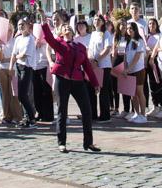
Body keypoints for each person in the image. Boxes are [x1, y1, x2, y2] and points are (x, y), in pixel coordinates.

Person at [40, 18, 100, 153]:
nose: (67, 28)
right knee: (62, 110)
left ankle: (88, 143)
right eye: (64, 28)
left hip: (78, 80)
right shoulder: (59, 44)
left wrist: (95, 83)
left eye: (68, 27)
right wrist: (44, 23)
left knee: (87, 110)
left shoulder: (80, 47)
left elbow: (88, 68)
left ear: (72, 32)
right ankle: (62, 143)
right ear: (61, 33)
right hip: (63, 79)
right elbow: (49, 38)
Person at [11, 18, 41, 128]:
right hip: (18, 67)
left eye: (23, 24)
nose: (21, 26)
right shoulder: (18, 39)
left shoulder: (30, 39)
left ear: (28, 26)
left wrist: (17, 56)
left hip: (26, 67)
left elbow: (23, 54)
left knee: (23, 95)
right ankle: (27, 117)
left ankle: (31, 118)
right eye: (19, 25)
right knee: (20, 95)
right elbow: (14, 54)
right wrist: (11, 67)